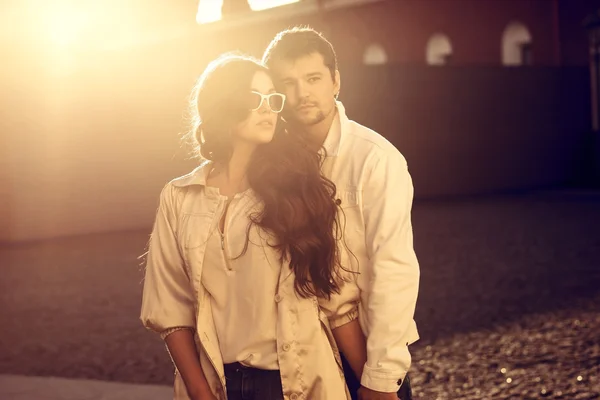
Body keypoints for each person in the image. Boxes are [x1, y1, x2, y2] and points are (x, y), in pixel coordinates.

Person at [140, 53, 365, 400]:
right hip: (217, 384)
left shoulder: (300, 190)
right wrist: (200, 392)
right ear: (222, 106)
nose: (267, 108)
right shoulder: (179, 197)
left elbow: (339, 304)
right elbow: (170, 309)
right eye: (253, 98)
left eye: (272, 98)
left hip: (296, 383)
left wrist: (377, 383)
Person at [263, 27, 420, 400]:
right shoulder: (267, 162)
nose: (302, 93)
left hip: (361, 354)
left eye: (313, 79)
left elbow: (393, 271)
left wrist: (379, 377)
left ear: (335, 82)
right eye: (288, 82)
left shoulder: (375, 160)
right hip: (291, 359)